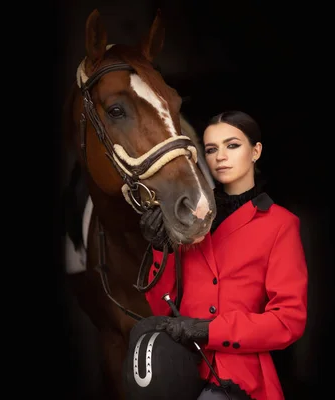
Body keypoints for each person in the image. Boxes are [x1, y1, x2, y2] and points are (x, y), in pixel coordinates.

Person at [123, 110, 308, 400]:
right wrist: (161, 249)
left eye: (232, 145)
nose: (221, 156)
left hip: (240, 376)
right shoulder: (188, 218)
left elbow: (288, 322)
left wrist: (209, 329)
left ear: (256, 151)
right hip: (177, 370)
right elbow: (162, 308)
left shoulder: (280, 223)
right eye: (211, 149)